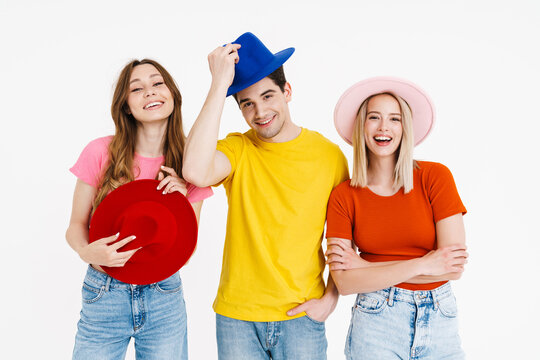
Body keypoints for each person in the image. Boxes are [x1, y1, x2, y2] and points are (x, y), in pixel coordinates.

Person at [182, 32, 349, 359]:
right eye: (247, 103)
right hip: (238, 319)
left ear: (287, 92)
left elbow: (344, 238)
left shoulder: (329, 157)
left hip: (302, 316)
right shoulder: (237, 149)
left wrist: (330, 299)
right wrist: (219, 85)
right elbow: (195, 172)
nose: (260, 111)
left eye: (268, 96)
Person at [66, 59, 212, 360]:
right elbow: (75, 226)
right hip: (104, 293)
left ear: (172, 94)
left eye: (158, 83)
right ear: (126, 106)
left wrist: (181, 201)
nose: (150, 92)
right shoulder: (100, 152)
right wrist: (87, 252)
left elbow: (187, 249)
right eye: (137, 88)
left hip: (164, 297)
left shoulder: (192, 163)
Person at [326, 77, 468, 359]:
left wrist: (366, 265)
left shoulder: (435, 177)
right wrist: (425, 263)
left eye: (395, 118)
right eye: (374, 117)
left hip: (439, 316)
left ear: (406, 128)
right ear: (361, 126)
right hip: (376, 320)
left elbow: (453, 268)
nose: (383, 127)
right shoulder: (343, 196)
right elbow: (344, 282)